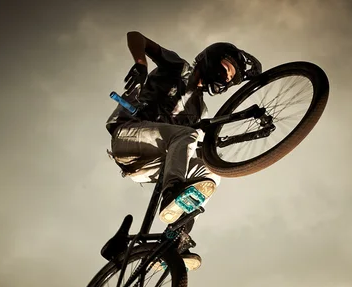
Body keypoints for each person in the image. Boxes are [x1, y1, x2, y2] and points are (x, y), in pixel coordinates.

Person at [106, 31, 262, 270]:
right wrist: (140, 65)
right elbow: (136, 36)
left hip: (149, 163)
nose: (224, 80)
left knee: (209, 172)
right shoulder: (179, 68)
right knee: (187, 134)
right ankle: (171, 193)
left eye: (228, 80)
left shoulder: (200, 108)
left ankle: (174, 238)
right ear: (212, 58)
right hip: (128, 135)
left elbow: (195, 146)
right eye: (224, 70)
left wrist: (252, 133)